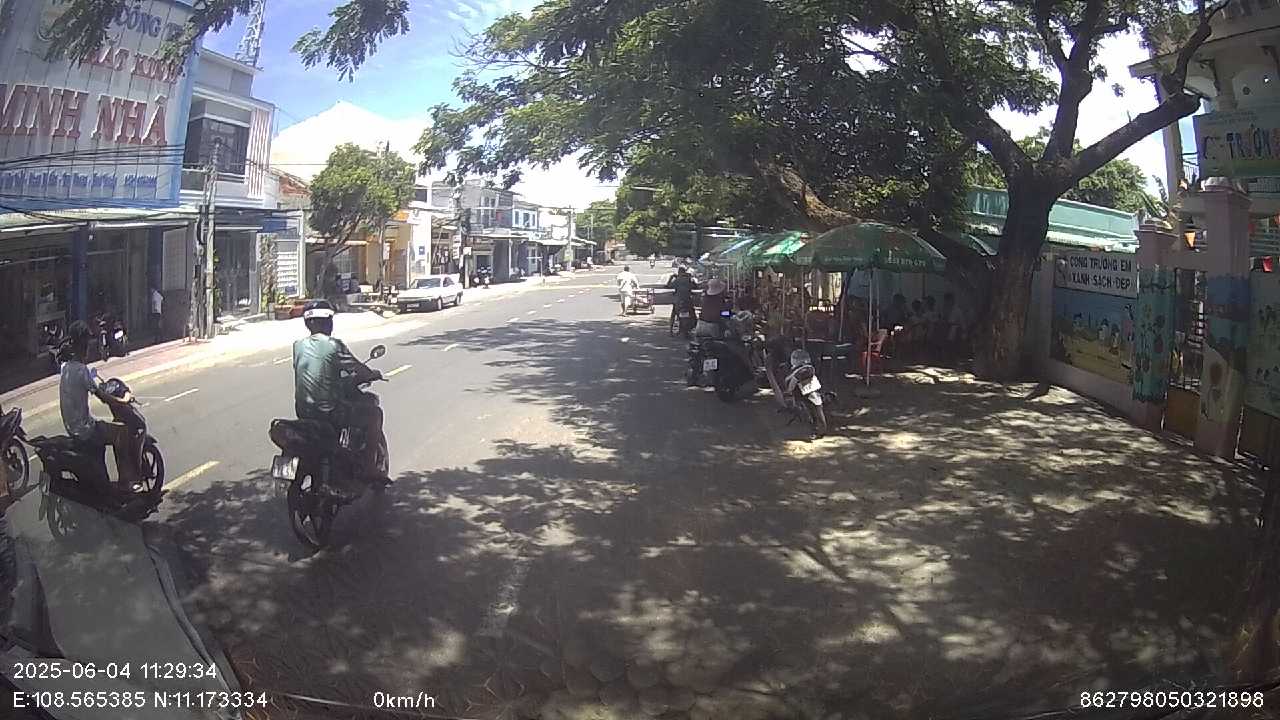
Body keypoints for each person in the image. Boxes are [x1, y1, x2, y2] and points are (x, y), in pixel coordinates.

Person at [293, 300, 385, 485]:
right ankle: (369, 467)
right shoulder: (334, 345)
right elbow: (358, 368)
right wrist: (372, 374)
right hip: (330, 411)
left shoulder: (298, 345)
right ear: (327, 322)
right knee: (374, 414)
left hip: (303, 411)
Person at [58, 321, 139, 497]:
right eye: (88, 342)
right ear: (83, 344)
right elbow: (103, 398)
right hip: (85, 429)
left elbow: (91, 387)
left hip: (71, 427)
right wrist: (122, 401)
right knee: (122, 432)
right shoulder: (81, 370)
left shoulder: (65, 368)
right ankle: (125, 482)